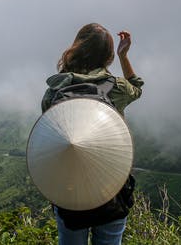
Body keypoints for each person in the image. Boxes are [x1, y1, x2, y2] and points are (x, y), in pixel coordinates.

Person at [41, 23, 144, 245]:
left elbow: (51, 136)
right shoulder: (117, 88)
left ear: (77, 47)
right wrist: (124, 56)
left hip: (70, 188)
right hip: (112, 184)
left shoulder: (55, 90)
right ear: (108, 56)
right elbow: (137, 87)